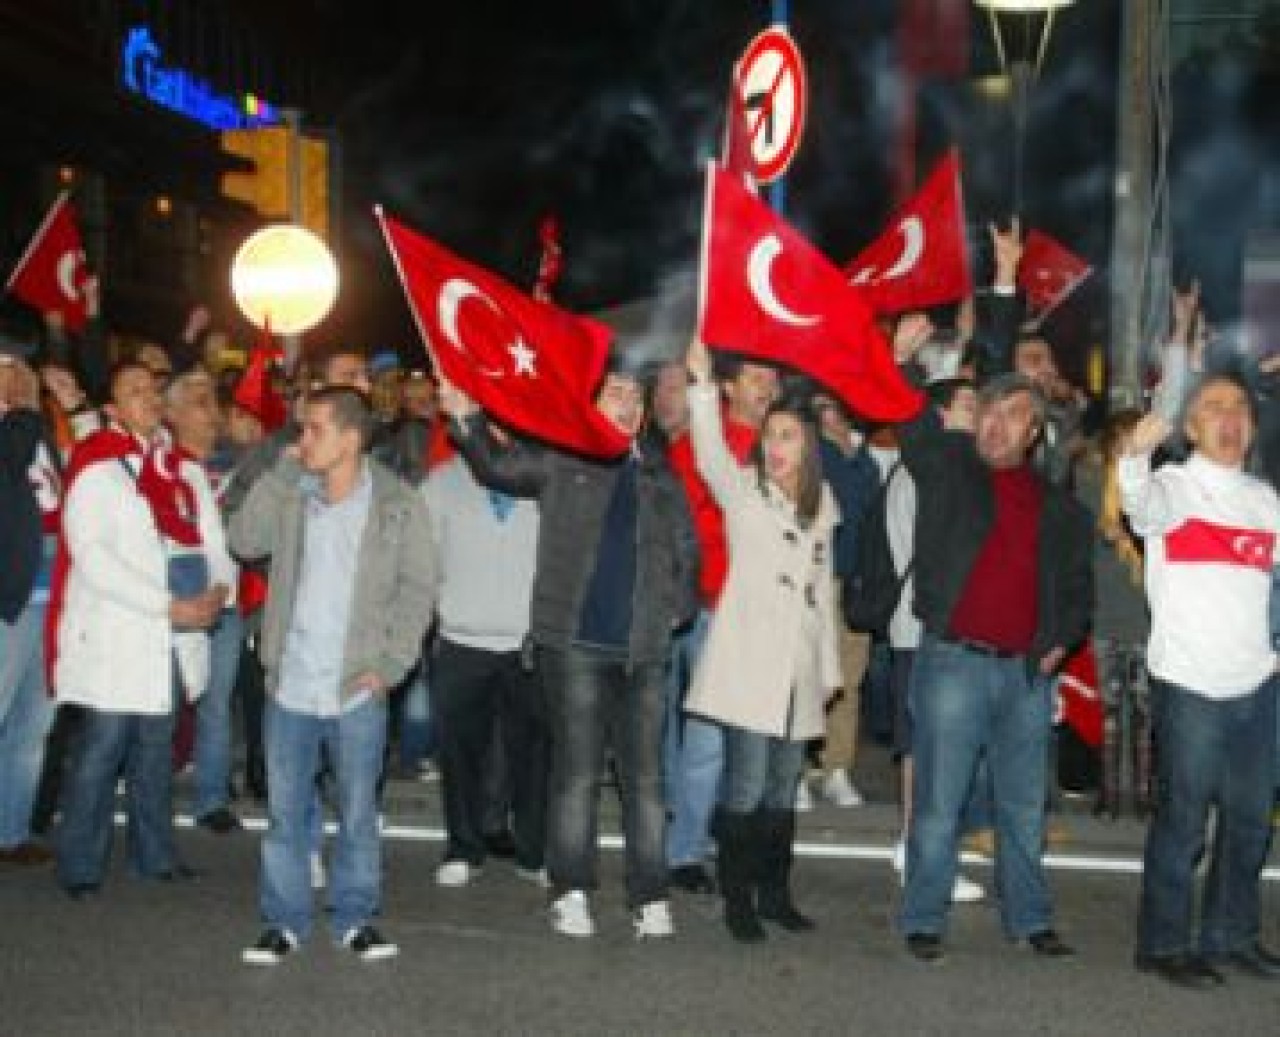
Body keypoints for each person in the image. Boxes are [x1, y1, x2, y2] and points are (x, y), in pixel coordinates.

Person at [440, 356, 697, 940]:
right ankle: (572, 889)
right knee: (576, 776)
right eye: (616, 394)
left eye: (636, 395)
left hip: (644, 649)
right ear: (592, 403)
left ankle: (649, 894)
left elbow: (685, 541)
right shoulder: (564, 457)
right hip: (575, 645)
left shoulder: (658, 470)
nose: (628, 405)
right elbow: (499, 467)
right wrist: (466, 419)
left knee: (647, 781)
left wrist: (681, 600)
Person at [893, 310, 1094, 964]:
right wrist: (901, 361)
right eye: (988, 410)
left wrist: (1060, 641)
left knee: (1023, 809)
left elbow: (1076, 592)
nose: (996, 422)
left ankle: (1031, 918)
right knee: (938, 805)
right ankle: (923, 916)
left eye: (1013, 414)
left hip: (1027, 675)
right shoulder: (950, 466)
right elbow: (906, 416)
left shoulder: (1058, 505)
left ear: (1034, 431)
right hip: (953, 661)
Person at [231, 386, 436, 965]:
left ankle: (355, 916)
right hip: (291, 681)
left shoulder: (397, 502)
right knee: (285, 815)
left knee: (357, 812)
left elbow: (419, 588)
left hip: (355, 686)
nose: (302, 441)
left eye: (314, 430)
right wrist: (278, 476)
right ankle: (283, 921)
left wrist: (391, 664)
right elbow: (243, 541)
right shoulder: (292, 493)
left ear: (351, 438)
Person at [1121, 375, 1280, 988]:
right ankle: (1161, 945)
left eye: (1239, 407)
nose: (1229, 417)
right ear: (1190, 429)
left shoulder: (1265, 500)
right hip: (1189, 682)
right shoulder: (1172, 489)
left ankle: (1230, 935)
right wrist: (1135, 454)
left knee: (1248, 821)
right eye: (1212, 407)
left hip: (1257, 685)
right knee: (1183, 824)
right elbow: (1138, 504)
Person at [683, 335, 841, 943]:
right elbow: (708, 456)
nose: (774, 447)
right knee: (745, 786)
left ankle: (775, 895)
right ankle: (737, 900)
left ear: (807, 446)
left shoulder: (820, 503)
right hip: (749, 664)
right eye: (769, 435)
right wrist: (701, 386)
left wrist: (828, 672)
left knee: (782, 790)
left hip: (797, 670)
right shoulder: (742, 492)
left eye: (787, 436)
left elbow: (823, 595)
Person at [53, 361, 229, 898]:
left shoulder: (186, 472)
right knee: (103, 749)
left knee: (158, 747)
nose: (150, 399)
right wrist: (165, 606)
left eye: (154, 390)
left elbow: (214, 547)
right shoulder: (96, 469)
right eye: (135, 391)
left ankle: (154, 856)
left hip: (174, 636)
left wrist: (218, 592)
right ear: (110, 409)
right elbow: (93, 558)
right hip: (120, 631)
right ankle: (81, 864)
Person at [663, 352, 779, 890]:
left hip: (767, 617)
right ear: (727, 389)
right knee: (707, 741)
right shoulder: (695, 447)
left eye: (772, 378)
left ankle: (736, 845)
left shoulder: (785, 445)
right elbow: (686, 529)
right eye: (756, 378)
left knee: (758, 744)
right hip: (716, 612)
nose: (768, 386)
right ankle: (685, 850)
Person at [423, 435, 547, 889]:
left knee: (534, 756)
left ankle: (535, 852)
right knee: (459, 755)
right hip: (461, 641)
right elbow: (424, 559)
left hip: (530, 644)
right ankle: (463, 847)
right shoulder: (444, 482)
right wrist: (437, 614)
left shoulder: (544, 477)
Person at [883, 376, 985, 904]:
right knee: (924, 746)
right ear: (941, 414)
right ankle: (916, 851)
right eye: (969, 404)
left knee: (936, 744)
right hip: (918, 626)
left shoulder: (940, 468)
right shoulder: (925, 471)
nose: (979, 413)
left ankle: (926, 849)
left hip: (933, 626)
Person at [163, 370, 244, 833]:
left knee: (217, 700)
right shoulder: (160, 466)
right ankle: (151, 792)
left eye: (213, 398)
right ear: (171, 414)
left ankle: (210, 797)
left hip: (226, 601)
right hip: (174, 601)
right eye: (198, 400)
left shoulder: (238, 463)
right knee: (165, 702)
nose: (211, 408)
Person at [0, 347, 58, 864]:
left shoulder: (38, 432)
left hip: (48, 596)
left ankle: (10, 831)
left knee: (31, 725)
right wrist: (22, 409)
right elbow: (12, 455)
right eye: (5, 370)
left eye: (20, 370)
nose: (16, 378)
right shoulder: (17, 432)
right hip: (8, 598)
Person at [810, 392, 880, 809]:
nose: (828, 417)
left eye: (834, 407)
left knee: (847, 678)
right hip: (814, 575)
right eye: (820, 409)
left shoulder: (861, 455)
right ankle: (800, 767)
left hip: (853, 578)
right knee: (807, 674)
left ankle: (836, 766)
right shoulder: (810, 449)